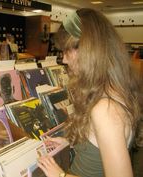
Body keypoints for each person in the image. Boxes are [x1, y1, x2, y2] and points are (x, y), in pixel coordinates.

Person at [37, 8, 142, 177]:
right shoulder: (111, 89)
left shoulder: (105, 109)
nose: (63, 59)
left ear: (86, 50)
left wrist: (59, 175)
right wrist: (69, 143)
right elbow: (99, 146)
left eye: (67, 50)